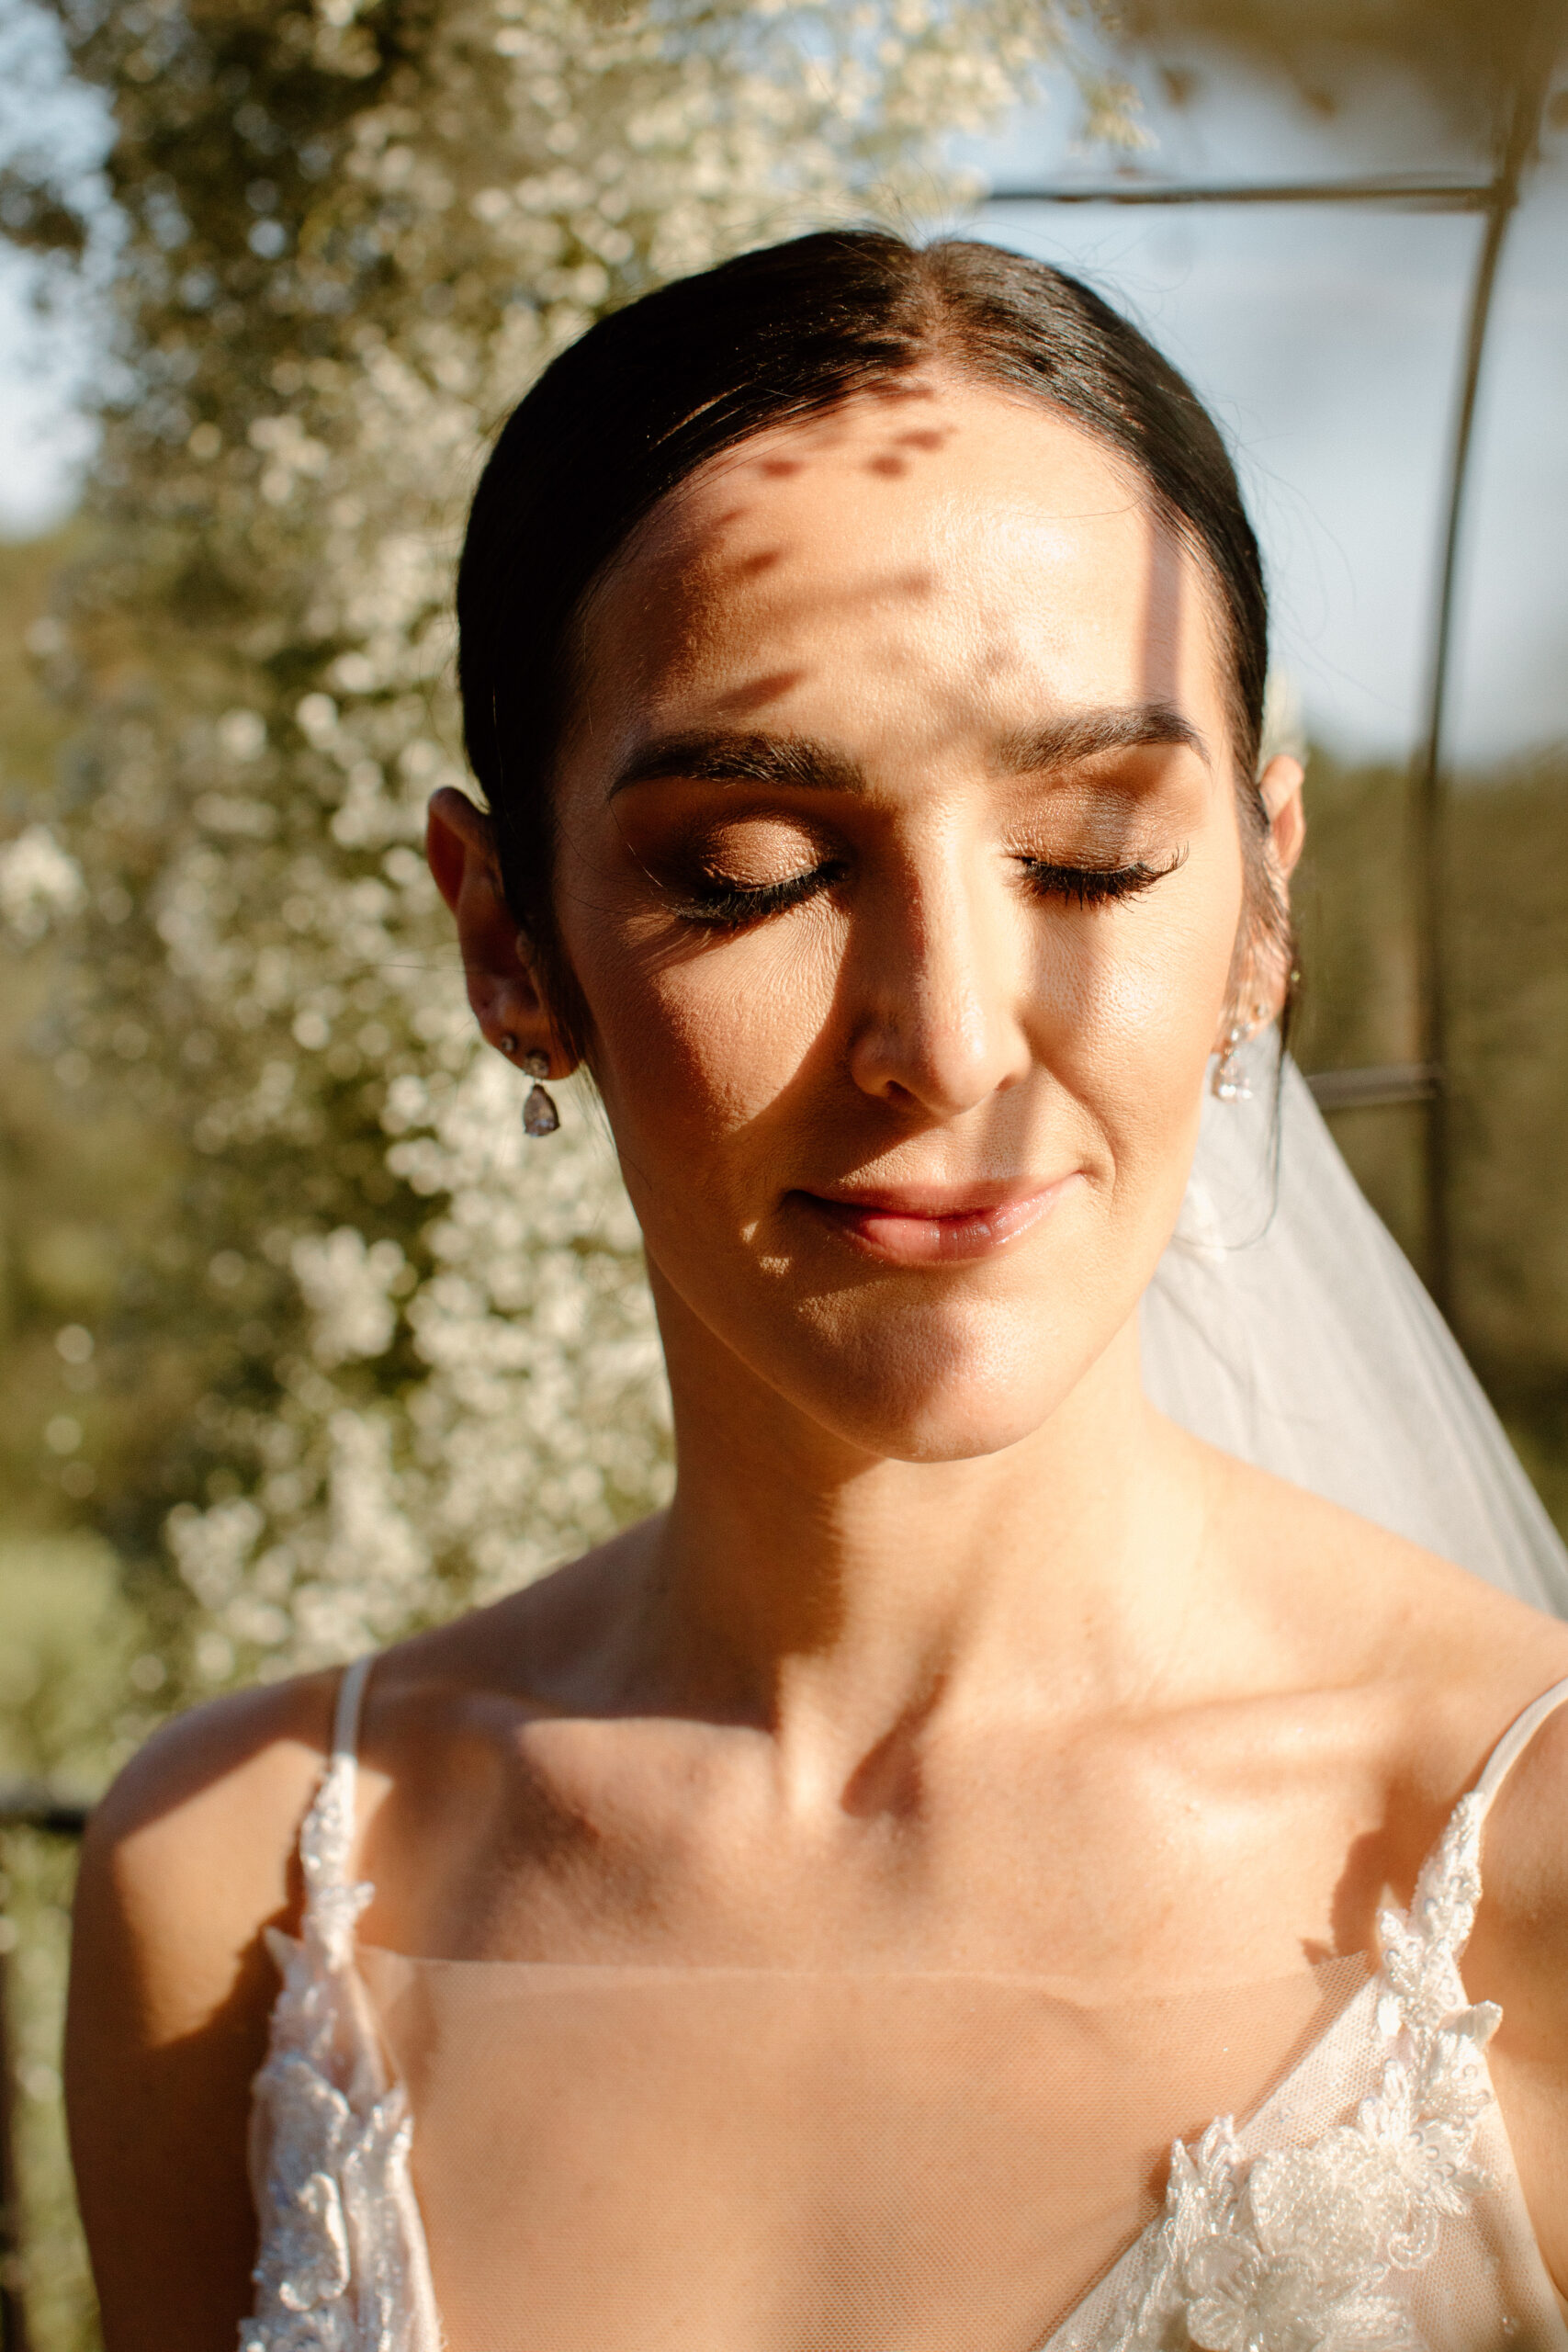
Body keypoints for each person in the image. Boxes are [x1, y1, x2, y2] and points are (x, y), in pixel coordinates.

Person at [63, 232, 1568, 2352]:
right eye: (749, 872)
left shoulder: (1528, 1869)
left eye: (1091, 854)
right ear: (506, 940)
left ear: (1258, 897)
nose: (944, 1037)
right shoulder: (234, 1892)